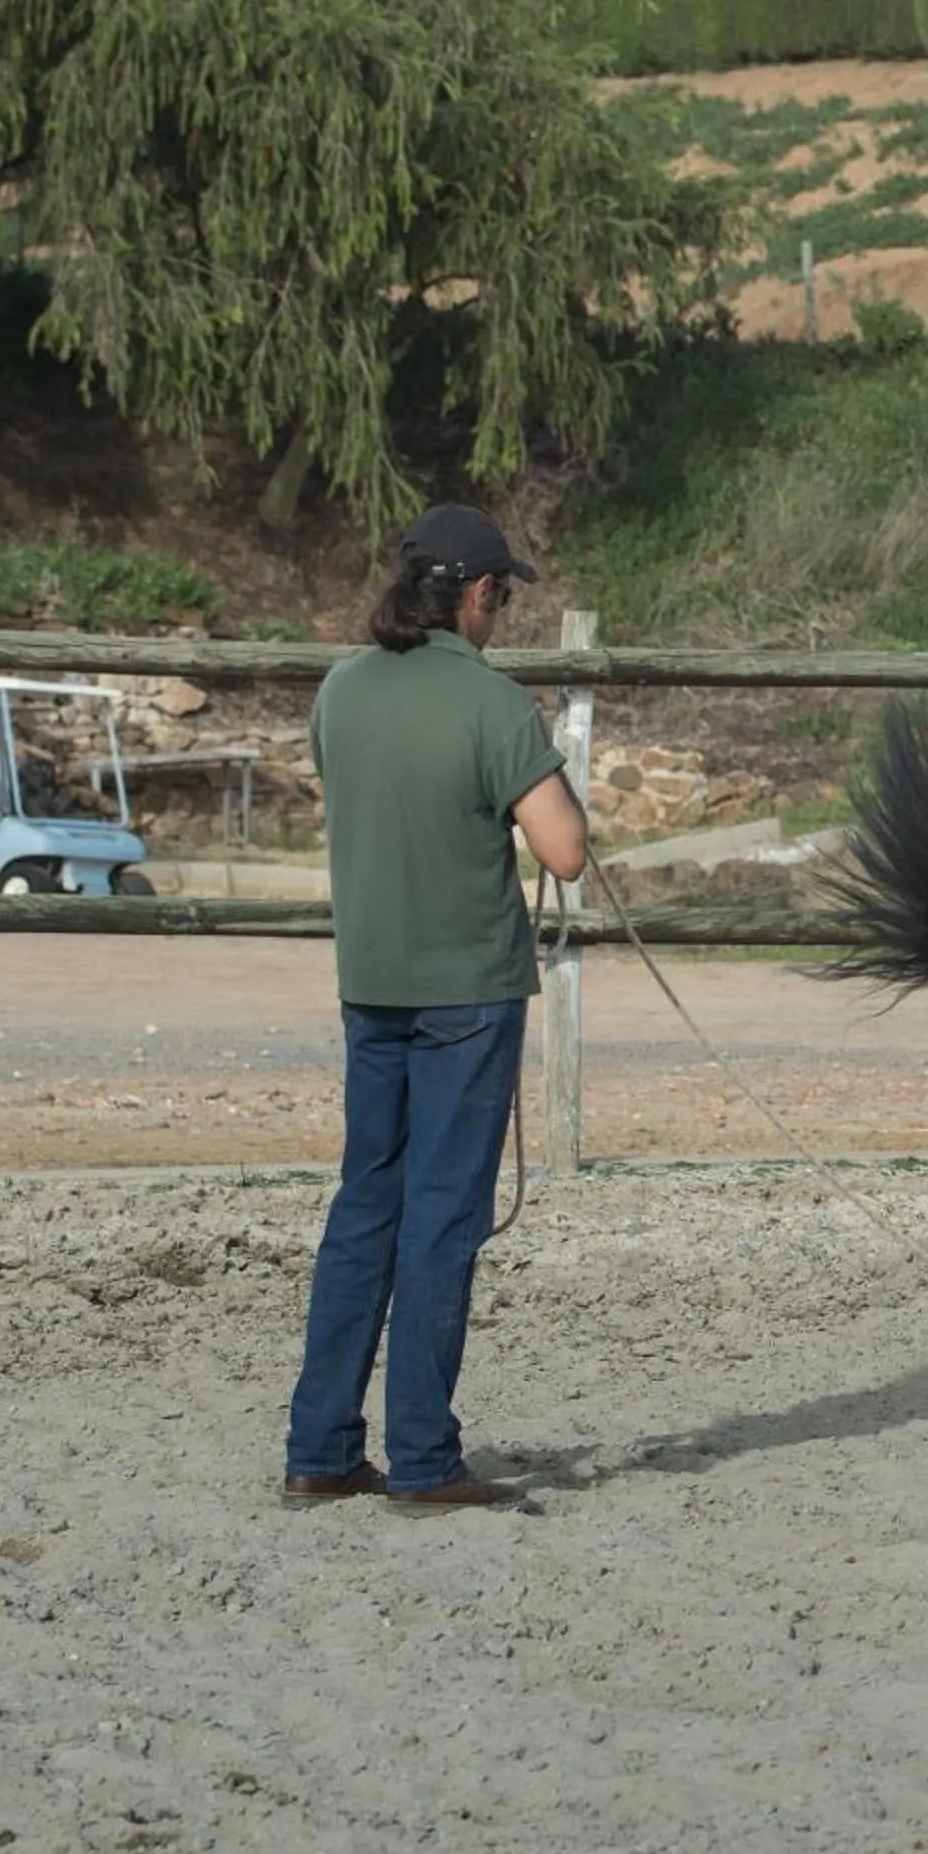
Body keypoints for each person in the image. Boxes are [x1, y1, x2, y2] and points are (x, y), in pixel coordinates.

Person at [282, 504, 589, 1513]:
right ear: (477, 593)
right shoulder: (493, 705)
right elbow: (564, 852)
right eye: (500, 595)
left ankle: (321, 1445)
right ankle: (421, 1455)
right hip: (465, 986)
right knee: (442, 1218)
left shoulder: (341, 688)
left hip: (370, 983)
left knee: (363, 1207)